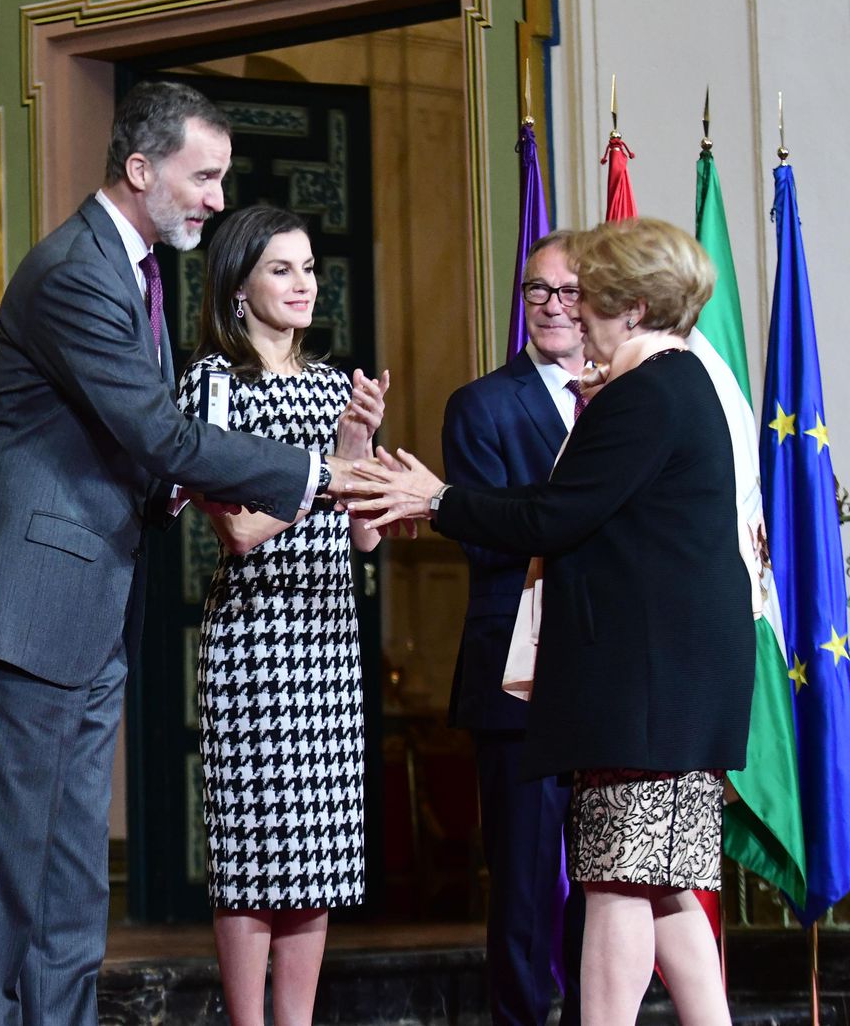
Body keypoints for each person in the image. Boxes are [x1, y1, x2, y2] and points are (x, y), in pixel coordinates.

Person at [0, 81, 354, 1026]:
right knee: (1, 891)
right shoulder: (74, 270)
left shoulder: (140, 273)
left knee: (72, 888)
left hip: (85, 616)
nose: (214, 198)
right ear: (140, 168)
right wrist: (323, 474)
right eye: (202, 178)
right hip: (22, 612)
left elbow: (143, 449)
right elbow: (157, 430)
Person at [345, 217, 754, 1025]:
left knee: (612, 884)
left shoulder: (644, 394)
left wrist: (437, 499)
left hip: (643, 686)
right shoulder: (681, 382)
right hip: (675, 681)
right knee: (664, 883)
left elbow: (553, 517)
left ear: (633, 306)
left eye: (591, 296)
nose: (576, 310)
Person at [176, 205, 387, 1025]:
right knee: (256, 856)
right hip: (256, 644)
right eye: (282, 270)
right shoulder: (213, 385)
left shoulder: (335, 386)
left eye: (309, 269)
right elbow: (236, 528)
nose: (304, 285)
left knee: (318, 860)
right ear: (238, 286)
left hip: (329, 641)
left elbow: (363, 536)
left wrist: (362, 451)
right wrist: (331, 468)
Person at [441, 231, 585, 1025]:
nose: (554, 306)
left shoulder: (627, 399)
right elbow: (480, 535)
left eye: (570, 292)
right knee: (526, 888)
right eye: (539, 291)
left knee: (609, 879)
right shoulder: (483, 404)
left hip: (605, 672)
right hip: (515, 677)